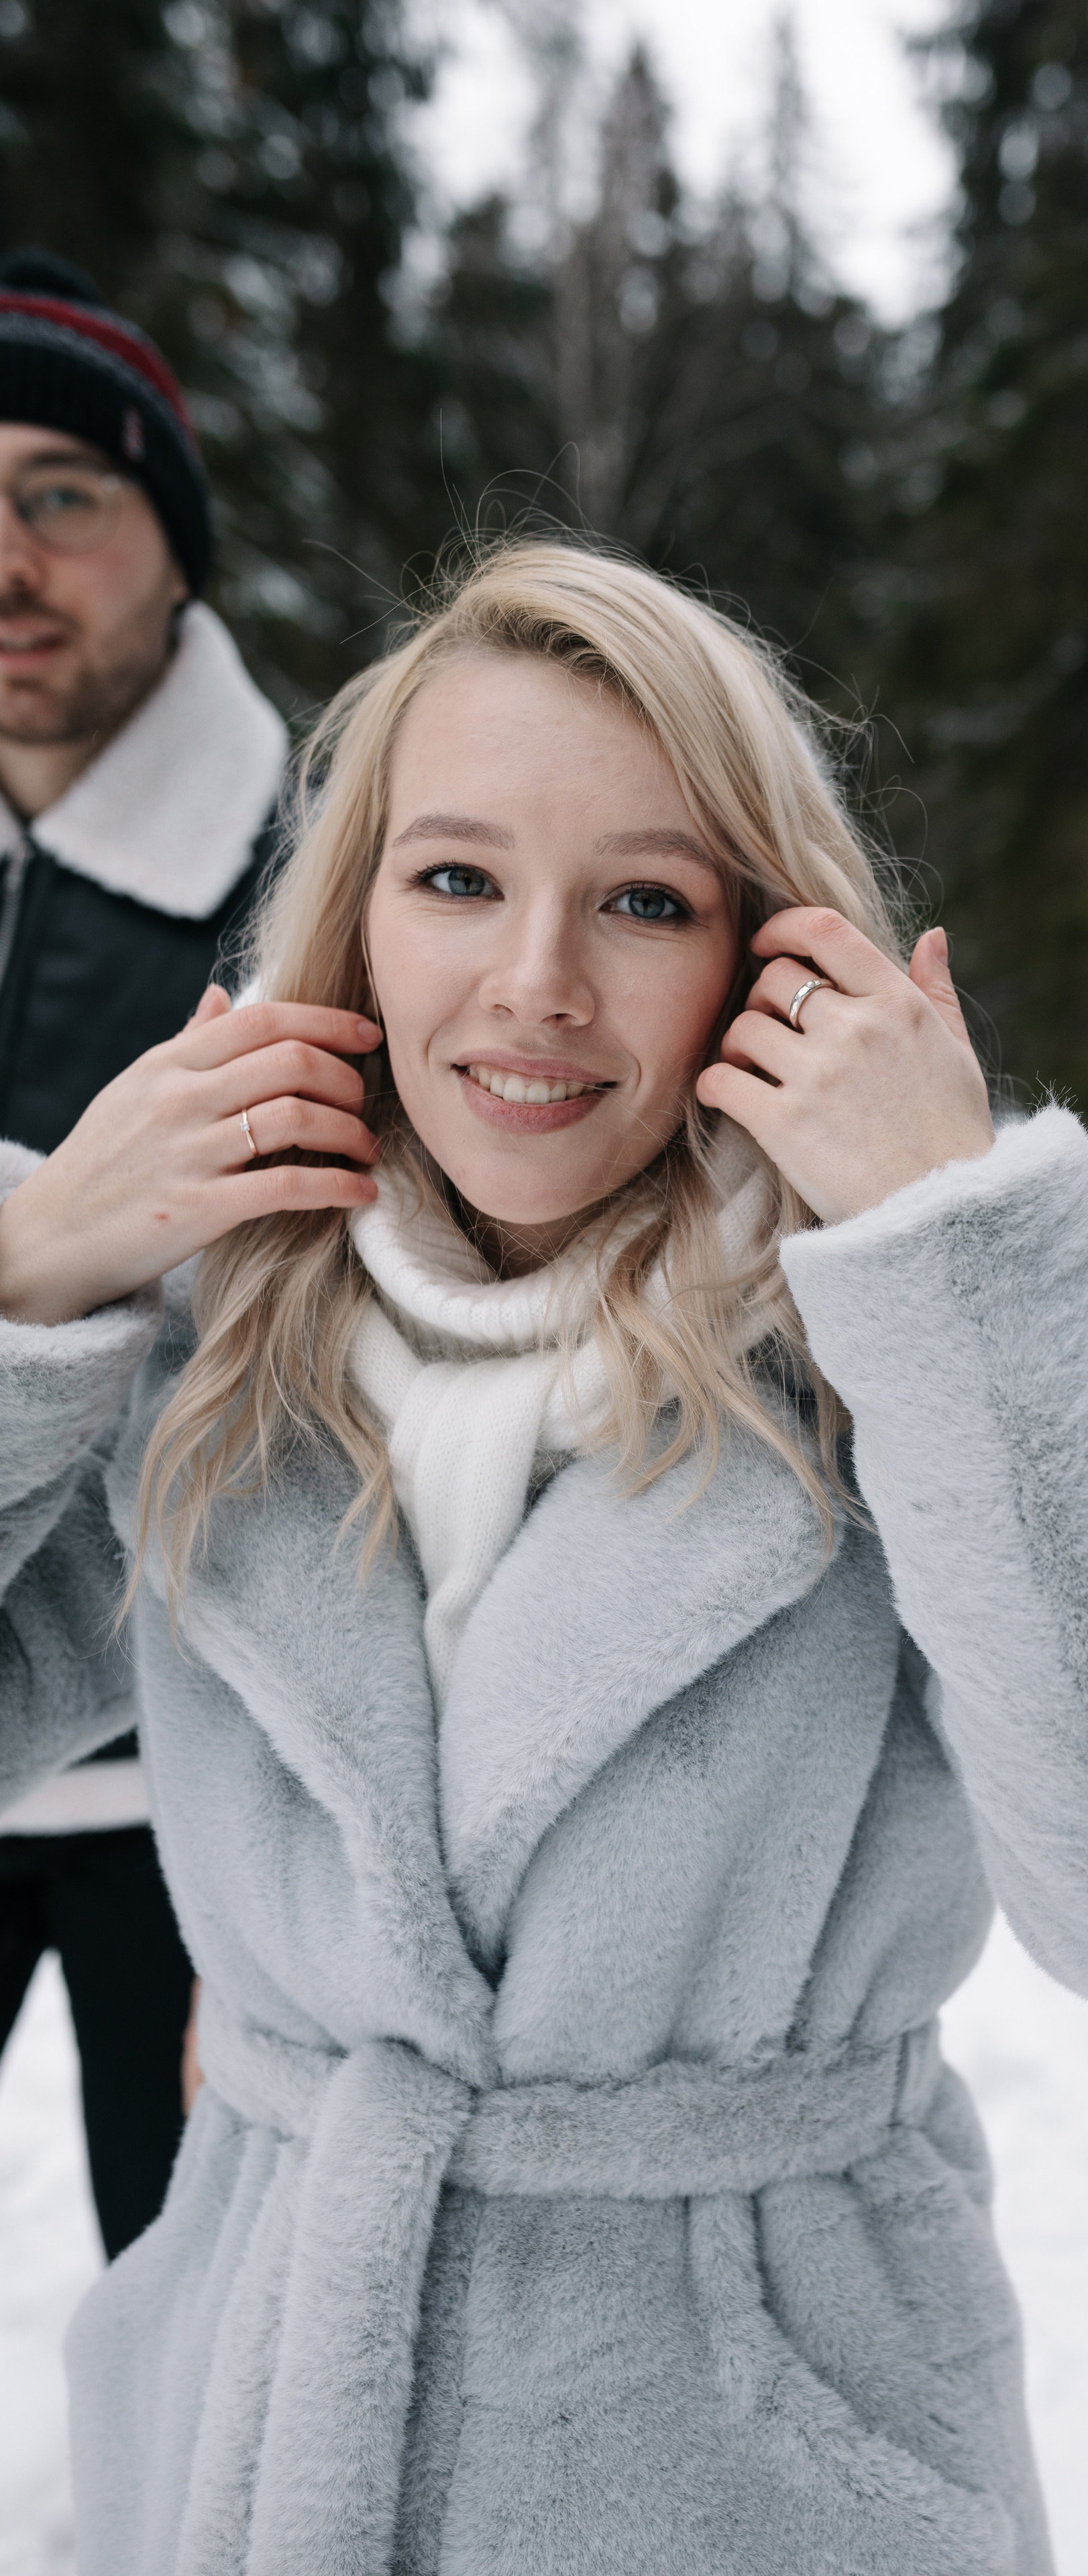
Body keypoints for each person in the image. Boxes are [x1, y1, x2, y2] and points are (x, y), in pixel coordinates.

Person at [0, 540, 1088, 2576]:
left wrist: (967, 1252)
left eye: (643, 900)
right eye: (458, 878)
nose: (535, 984)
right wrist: (30, 1284)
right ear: (359, 922)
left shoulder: (903, 1366)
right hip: (238, 2430)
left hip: (752, 2476)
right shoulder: (220, 1333)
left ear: (768, 952)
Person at [0, 249, 285, 2257]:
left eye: (60, 496)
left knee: (203, 2352)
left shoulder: (329, 872)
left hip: (197, 1774)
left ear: (171, 547)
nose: (4, 559)